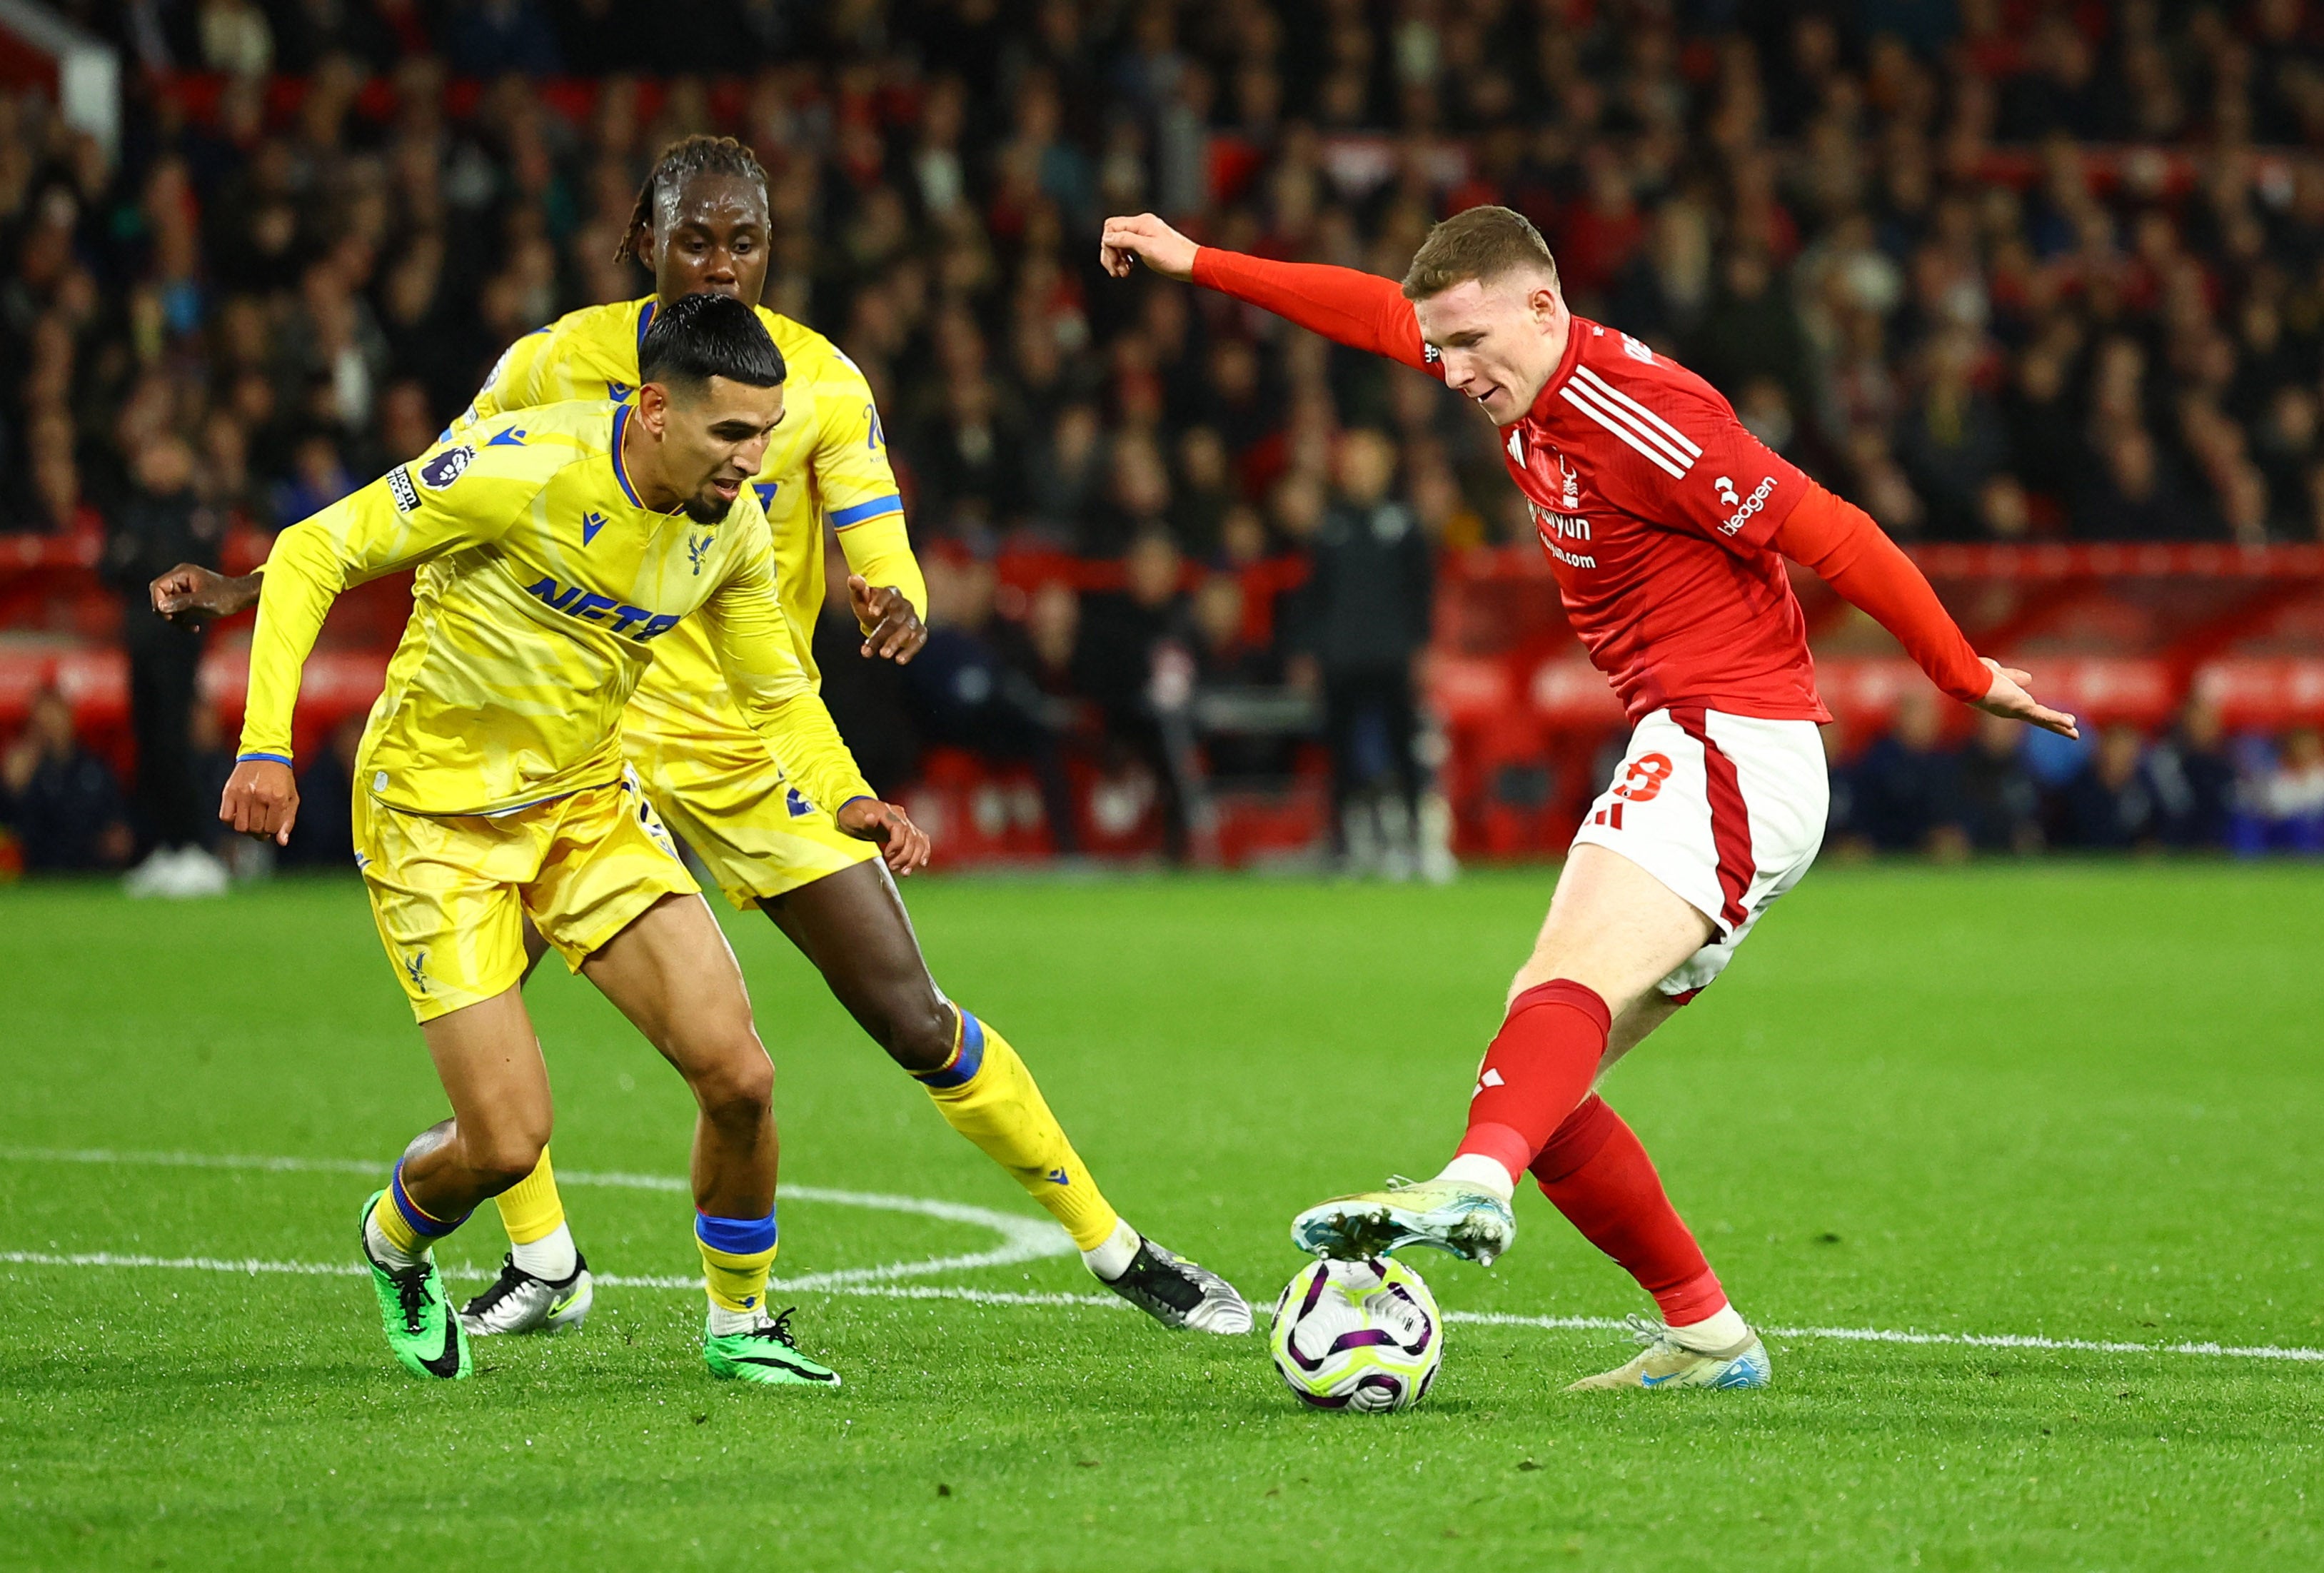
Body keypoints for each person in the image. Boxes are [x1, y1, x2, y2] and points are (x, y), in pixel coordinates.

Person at [159, 136, 1248, 1340]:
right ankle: (540, 1256)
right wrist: (258, 590)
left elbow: (881, 552)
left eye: (746, 241)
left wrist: (895, 602)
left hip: (747, 733)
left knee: (908, 1014)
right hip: (578, 740)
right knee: (492, 1062)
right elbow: (414, 503)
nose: (722, 264)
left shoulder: (818, 383)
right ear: (645, 241)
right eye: (697, 238)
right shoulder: (554, 366)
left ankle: (1115, 1245)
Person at [1101, 205, 2076, 1390]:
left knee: (1546, 999)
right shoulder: (1511, 365)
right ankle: (1707, 1333)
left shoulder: (1645, 417)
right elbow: (1367, 310)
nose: (1451, 372)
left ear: (1544, 304)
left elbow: (1833, 527)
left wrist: (1961, 671)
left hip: (1729, 740)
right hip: (1710, 745)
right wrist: (1197, 258)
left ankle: (1471, 1182)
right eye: (1441, 348)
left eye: (1468, 343)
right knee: (1549, 1083)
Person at [221, 296, 925, 1384]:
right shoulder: (520, 464)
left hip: (584, 804)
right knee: (505, 1142)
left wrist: (849, 796)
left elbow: (776, 688)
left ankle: (739, 1320)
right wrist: (265, 745)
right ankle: (397, 1237)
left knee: (738, 1073)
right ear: (651, 409)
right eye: (732, 433)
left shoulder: (729, 528)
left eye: (767, 432)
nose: (756, 461)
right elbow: (315, 551)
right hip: (433, 819)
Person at [1294, 428, 1436, 878]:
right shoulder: (1329, 527)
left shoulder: (1405, 524)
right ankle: (1346, 843)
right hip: (1341, 657)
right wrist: (1308, 652)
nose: (1360, 472)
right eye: (1353, 463)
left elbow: (1421, 593)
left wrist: (1421, 648)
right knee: (1340, 752)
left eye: (1369, 462)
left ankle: (1416, 838)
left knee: (1404, 748)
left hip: (1393, 655)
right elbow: (1313, 596)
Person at [101, 435, 230, 898]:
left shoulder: (198, 512)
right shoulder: (131, 509)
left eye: (167, 452)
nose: (156, 461)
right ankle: (162, 849)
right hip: (140, 648)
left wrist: (143, 559)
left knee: (178, 747)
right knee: (149, 747)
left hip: (180, 649)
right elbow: (108, 567)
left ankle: (196, 848)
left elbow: (195, 578)